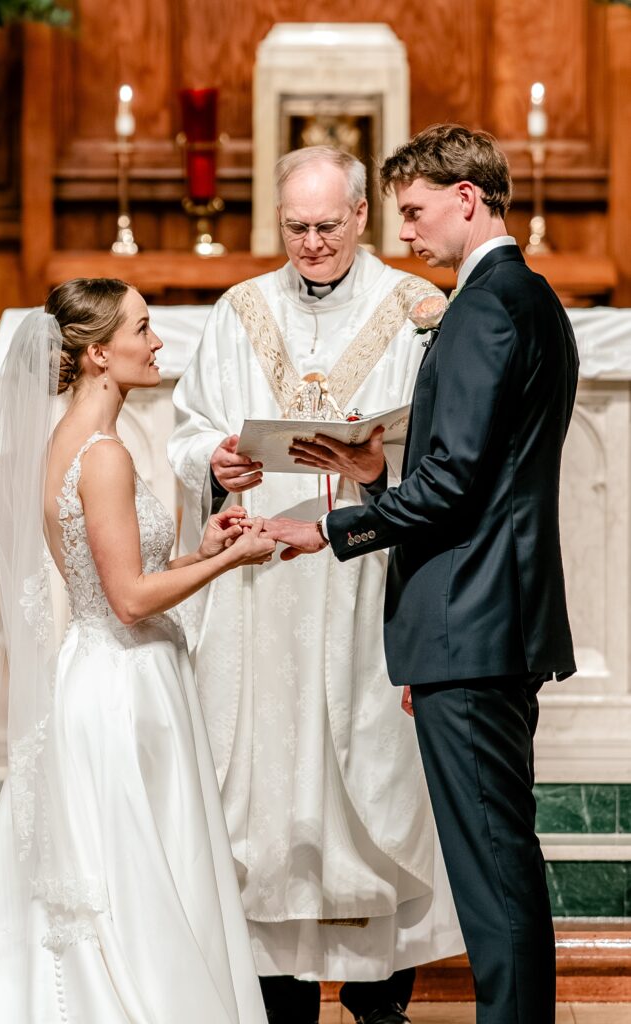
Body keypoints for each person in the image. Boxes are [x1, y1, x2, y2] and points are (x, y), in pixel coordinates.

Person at [266, 125, 579, 1024]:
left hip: (469, 619)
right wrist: (378, 476)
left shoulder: (484, 306)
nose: (403, 232)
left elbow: (452, 484)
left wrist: (328, 528)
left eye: (412, 211)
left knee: (489, 863)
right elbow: (486, 474)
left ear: (466, 198)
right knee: (498, 853)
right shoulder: (528, 299)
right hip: (491, 610)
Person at [168, 146, 464, 1024]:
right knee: (258, 784)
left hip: (367, 579)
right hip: (260, 584)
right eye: (294, 227)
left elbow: (448, 453)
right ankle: (274, 995)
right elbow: (188, 431)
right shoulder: (239, 309)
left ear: (362, 216)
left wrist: (379, 464)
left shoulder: (415, 312)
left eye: (326, 226)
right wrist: (214, 461)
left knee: (372, 776)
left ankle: (381, 998)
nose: (309, 243)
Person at [0, 278, 274, 1022]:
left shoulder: (73, 442)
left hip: (103, 670)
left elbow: (115, 581)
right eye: (142, 328)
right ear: (98, 353)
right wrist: (231, 561)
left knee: (124, 868)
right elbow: (128, 601)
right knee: (136, 875)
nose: (157, 342)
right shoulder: (104, 457)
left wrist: (199, 550)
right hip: (125, 688)